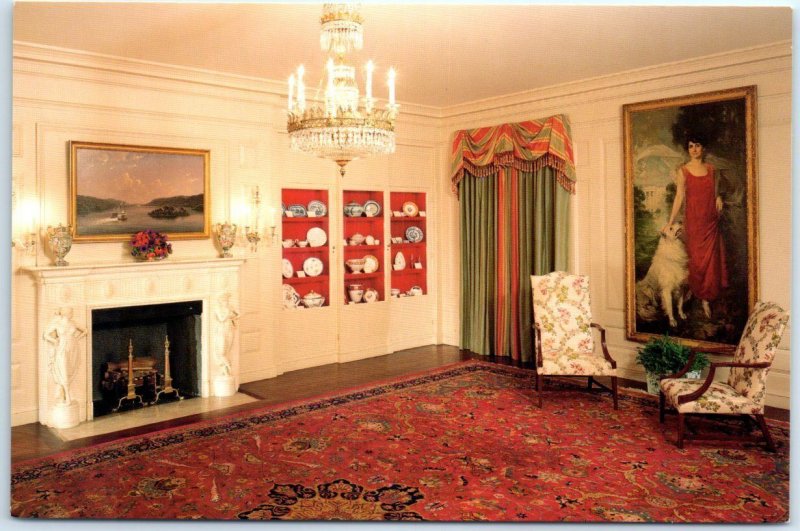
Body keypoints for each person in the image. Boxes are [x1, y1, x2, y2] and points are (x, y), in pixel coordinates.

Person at [663, 135, 728, 319]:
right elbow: (679, 197)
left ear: (703, 148)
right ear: (688, 149)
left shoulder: (711, 169)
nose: (694, 149)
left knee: (710, 262)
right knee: (696, 261)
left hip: (710, 220)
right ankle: (693, 297)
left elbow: (715, 190)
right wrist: (670, 221)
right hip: (693, 222)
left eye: (697, 145)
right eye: (691, 146)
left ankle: (706, 299)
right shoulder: (683, 171)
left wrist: (718, 197)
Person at [43, 307, 87, 405]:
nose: (72, 313)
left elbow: (85, 331)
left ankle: (62, 391)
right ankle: (68, 396)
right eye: (71, 312)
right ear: (66, 313)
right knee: (64, 370)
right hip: (62, 349)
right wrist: (55, 341)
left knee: (70, 370)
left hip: (73, 349)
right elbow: (46, 335)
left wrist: (77, 338)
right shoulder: (57, 324)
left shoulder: (73, 323)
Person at [213, 293, 239, 377]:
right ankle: (227, 366)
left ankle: (225, 370)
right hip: (221, 331)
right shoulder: (218, 308)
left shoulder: (230, 307)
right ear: (220, 301)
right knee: (221, 352)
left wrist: (231, 314)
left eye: (227, 300)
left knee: (228, 351)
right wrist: (229, 313)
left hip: (230, 330)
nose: (227, 302)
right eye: (225, 300)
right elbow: (221, 318)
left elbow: (238, 315)